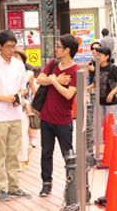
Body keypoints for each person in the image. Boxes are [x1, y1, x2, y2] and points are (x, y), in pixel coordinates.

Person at [0, 30, 32, 202]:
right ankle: (0, 188)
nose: (11, 50)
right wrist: (5, 98)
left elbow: (24, 87)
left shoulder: (18, 65)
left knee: (13, 153)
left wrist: (19, 96)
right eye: (8, 47)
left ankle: (14, 186)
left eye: (13, 46)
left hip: (15, 113)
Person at [36, 34, 80, 197]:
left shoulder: (75, 71)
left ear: (67, 50)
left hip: (63, 120)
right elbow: (39, 79)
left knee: (67, 154)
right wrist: (55, 79)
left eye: (59, 46)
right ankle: (46, 184)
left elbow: (69, 94)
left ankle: (72, 184)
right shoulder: (53, 63)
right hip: (46, 118)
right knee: (46, 153)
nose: (56, 48)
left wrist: (54, 81)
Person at [87, 47, 117, 152]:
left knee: (111, 125)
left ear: (107, 57)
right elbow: (95, 84)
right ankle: (100, 146)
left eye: (100, 55)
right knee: (96, 124)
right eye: (97, 55)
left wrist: (112, 93)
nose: (97, 57)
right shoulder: (97, 67)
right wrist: (84, 89)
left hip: (111, 102)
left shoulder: (112, 68)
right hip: (99, 100)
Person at [13, 47, 35, 172]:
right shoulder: (9, 72)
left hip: (24, 107)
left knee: (22, 134)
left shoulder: (28, 73)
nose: (14, 58)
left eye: (17, 56)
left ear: (22, 59)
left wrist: (27, 103)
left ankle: (23, 159)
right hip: (11, 107)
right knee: (14, 136)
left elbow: (31, 93)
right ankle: (20, 157)